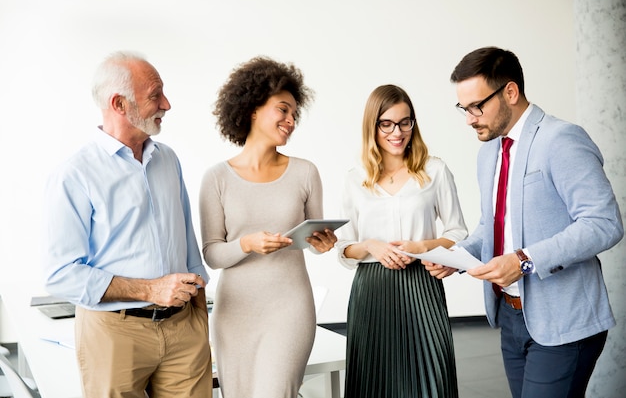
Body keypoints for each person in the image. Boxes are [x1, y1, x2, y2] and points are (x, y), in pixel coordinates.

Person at [425, 46, 623, 398]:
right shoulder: (489, 152)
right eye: (463, 109)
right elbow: (493, 226)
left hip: (564, 321)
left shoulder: (560, 139)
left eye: (476, 106)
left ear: (510, 92)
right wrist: (454, 256)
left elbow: (604, 222)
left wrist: (524, 259)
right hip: (512, 318)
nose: (469, 118)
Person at [42, 51, 212, 398]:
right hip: (114, 334)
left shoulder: (168, 159)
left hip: (184, 328)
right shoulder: (74, 175)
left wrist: (198, 312)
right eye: (155, 95)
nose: (167, 104)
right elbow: (60, 273)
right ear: (119, 103)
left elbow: (187, 238)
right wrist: (150, 290)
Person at [199, 56, 337, 398]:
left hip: (290, 308)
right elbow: (213, 254)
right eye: (283, 110)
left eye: (294, 114)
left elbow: (314, 236)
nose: (290, 121)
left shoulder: (305, 172)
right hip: (236, 313)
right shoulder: (216, 178)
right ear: (252, 109)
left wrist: (322, 242)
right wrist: (247, 244)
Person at [335, 84, 468, 398]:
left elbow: (458, 233)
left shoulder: (435, 170)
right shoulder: (354, 178)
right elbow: (343, 248)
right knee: (374, 381)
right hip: (372, 290)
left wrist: (422, 247)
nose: (398, 132)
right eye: (387, 124)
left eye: (405, 122)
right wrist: (371, 245)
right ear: (373, 126)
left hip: (421, 286)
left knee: (432, 376)